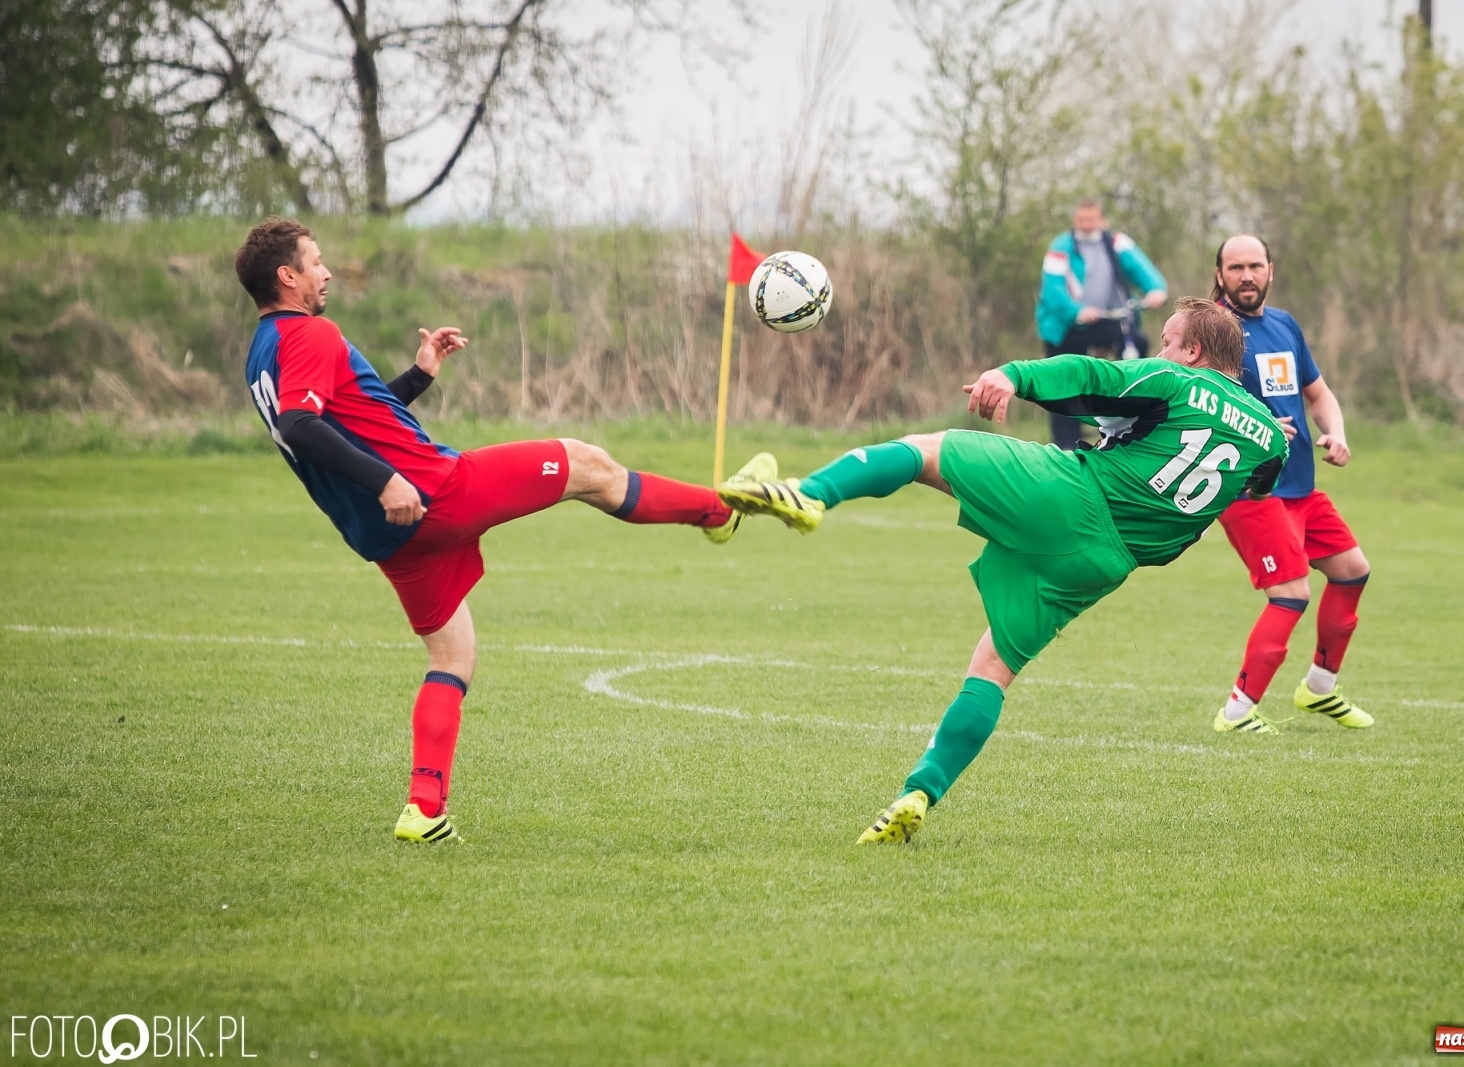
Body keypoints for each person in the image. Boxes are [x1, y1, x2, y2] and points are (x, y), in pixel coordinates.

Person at [235, 217, 770, 844]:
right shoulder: (312, 333)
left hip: (388, 536)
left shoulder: (262, 352)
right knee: (587, 464)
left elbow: (356, 415)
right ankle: (720, 512)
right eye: (317, 262)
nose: (326, 272)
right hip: (432, 494)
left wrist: (420, 374)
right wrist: (386, 479)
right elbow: (304, 428)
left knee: (452, 657)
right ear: (287, 276)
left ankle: (423, 808)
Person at [718, 297, 1287, 844]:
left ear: (1191, 352)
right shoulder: (1268, 440)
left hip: (1076, 496)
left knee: (923, 451)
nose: (1159, 354)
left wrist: (1014, 375)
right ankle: (919, 793)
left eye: (1166, 343)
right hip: (1107, 564)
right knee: (994, 665)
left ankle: (807, 495)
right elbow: (1255, 482)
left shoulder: (1177, 382)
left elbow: (1093, 376)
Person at [1210, 234, 1373, 735]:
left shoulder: (1284, 325)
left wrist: (1336, 431)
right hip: (1249, 489)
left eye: (1254, 266)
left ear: (1271, 270)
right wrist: (1253, 423)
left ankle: (1319, 688)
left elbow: (1317, 393)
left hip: (1300, 486)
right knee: (1291, 593)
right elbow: (1194, 399)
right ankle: (1236, 711)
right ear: (1219, 275)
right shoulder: (1212, 331)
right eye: (1235, 267)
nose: (1246, 276)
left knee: (1352, 571)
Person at [1035, 198, 1169, 449]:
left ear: (1102, 220)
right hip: (1065, 325)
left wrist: (1155, 290)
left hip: (1104, 319)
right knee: (1062, 382)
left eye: (1092, 219)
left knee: (1135, 342)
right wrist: (1078, 310)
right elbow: (1052, 290)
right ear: (1075, 221)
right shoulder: (1060, 247)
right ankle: (1067, 446)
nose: (1087, 225)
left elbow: (1144, 269)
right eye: (1082, 220)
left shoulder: (1116, 242)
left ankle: (1127, 413)